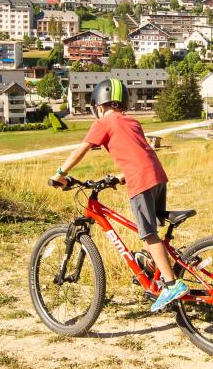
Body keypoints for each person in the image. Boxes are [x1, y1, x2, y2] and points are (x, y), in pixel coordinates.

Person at [50, 78, 189, 312]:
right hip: (158, 176)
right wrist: (121, 175)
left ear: (99, 105)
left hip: (141, 181)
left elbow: (82, 149)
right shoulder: (131, 121)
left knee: (148, 235)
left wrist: (60, 173)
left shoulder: (105, 121)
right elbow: (138, 151)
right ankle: (154, 269)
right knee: (152, 229)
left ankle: (171, 284)